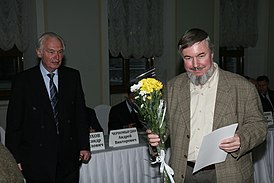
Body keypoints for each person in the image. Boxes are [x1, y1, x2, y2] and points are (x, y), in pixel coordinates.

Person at [147, 28, 267, 183]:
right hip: (184, 173)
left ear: (211, 53)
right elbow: (165, 126)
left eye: (201, 56)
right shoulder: (173, 87)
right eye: (188, 58)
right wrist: (156, 138)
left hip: (228, 172)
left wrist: (241, 139)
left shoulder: (242, 86)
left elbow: (259, 125)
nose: (195, 64)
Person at [5, 32, 91, 183]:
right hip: (36, 159)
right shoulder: (23, 81)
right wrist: (15, 158)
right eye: (51, 52)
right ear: (39, 52)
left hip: (68, 158)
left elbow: (80, 114)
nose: (56, 57)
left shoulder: (72, 76)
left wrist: (84, 145)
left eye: (60, 52)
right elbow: (14, 124)